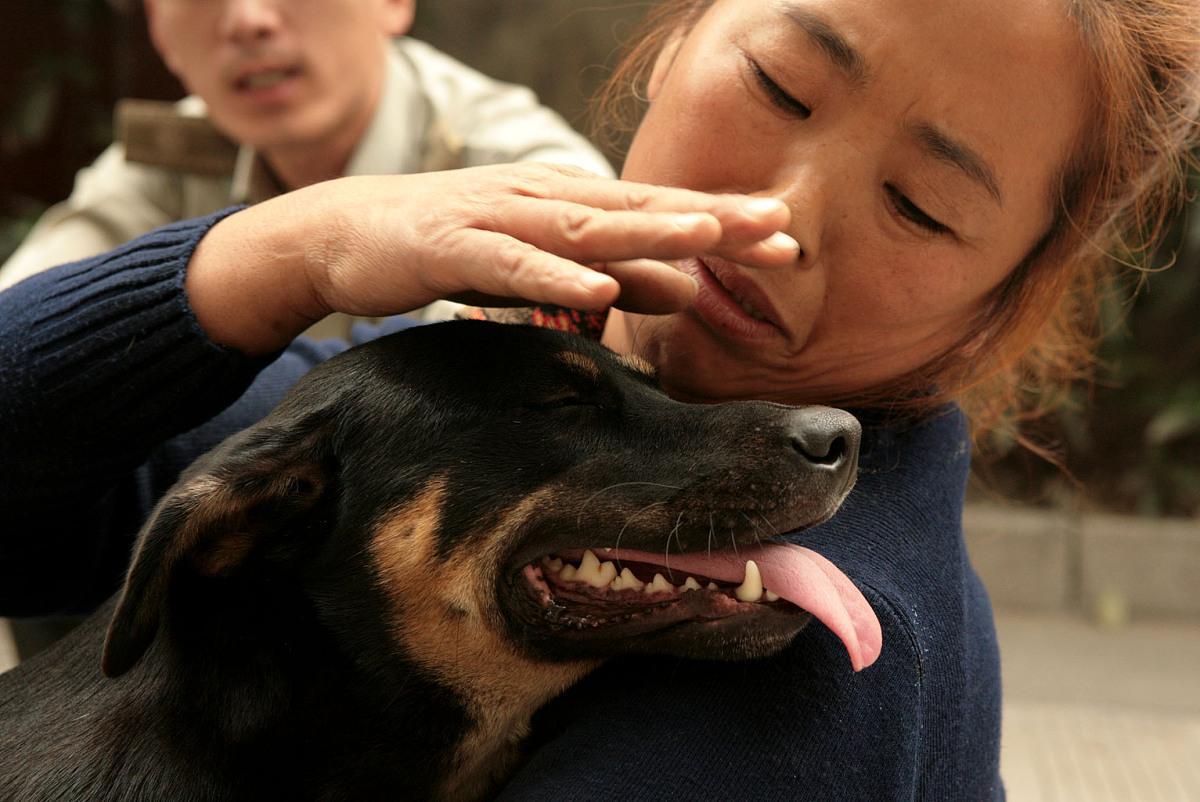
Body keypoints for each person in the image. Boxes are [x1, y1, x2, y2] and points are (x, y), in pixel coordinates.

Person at [1, 0, 1197, 798]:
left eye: (924, 205)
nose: (782, 221)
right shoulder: (485, 388)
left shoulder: (820, 684)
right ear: (674, 38)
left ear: (1006, 300)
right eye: (782, 87)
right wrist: (277, 255)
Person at [0, 0, 613, 304]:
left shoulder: (519, 163)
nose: (246, 20)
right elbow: (23, 324)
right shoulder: (167, 163)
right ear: (162, 35)